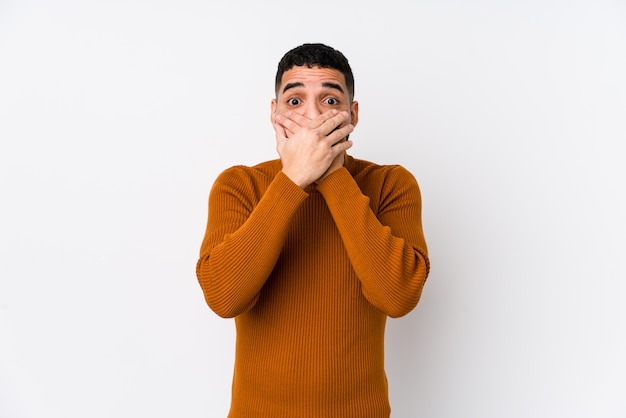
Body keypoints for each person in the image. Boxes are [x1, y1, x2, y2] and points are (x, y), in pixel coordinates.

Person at [196, 43, 430, 417]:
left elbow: (397, 296)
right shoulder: (240, 185)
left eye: (330, 101)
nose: (312, 116)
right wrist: (292, 179)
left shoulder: (390, 184)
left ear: (352, 114)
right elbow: (225, 298)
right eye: (294, 101)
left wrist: (332, 175)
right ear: (274, 114)